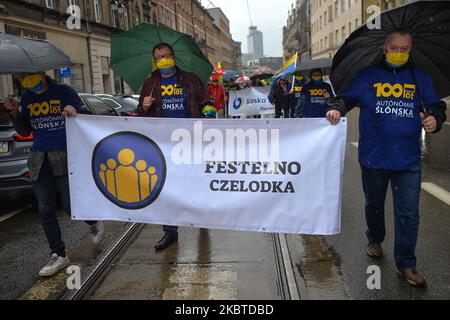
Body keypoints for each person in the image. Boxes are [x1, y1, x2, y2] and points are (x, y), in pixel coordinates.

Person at [326, 30, 447, 287]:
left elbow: (436, 105)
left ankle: (406, 263)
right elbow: (346, 98)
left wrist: (435, 118)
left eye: (405, 49)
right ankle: (375, 239)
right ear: (384, 48)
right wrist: (336, 109)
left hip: (408, 159)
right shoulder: (367, 76)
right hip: (373, 157)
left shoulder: (419, 78)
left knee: (409, 213)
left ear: (410, 50)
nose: (399, 53)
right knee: (374, 204)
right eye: (395, 47)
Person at [3, 73, 104, 277]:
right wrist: (14, 112)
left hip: (65, 155)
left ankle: (93, 221)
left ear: (41, 73)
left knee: (69, 205)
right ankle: (58, 254)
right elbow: (24, 130)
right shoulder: (28, 98)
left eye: (32, 77)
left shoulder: (64, 91)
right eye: (25, 79)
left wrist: (75, 112)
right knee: (45, 209)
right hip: (40, 159)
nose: (30, 82)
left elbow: (84, 117)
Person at [137, 42, 214, 251]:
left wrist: (208, 111)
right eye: (160, 57)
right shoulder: (149, 83)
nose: (165, 59)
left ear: (174, 57)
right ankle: (170, 232)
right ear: (154, 61)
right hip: (163, 145)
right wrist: (144, 107)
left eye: (168, 55)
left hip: (190, 142)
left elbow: (206, 101)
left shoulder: (190, 79)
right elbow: (139, 113)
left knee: (195, 182)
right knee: (166, 188)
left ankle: (201, 219)